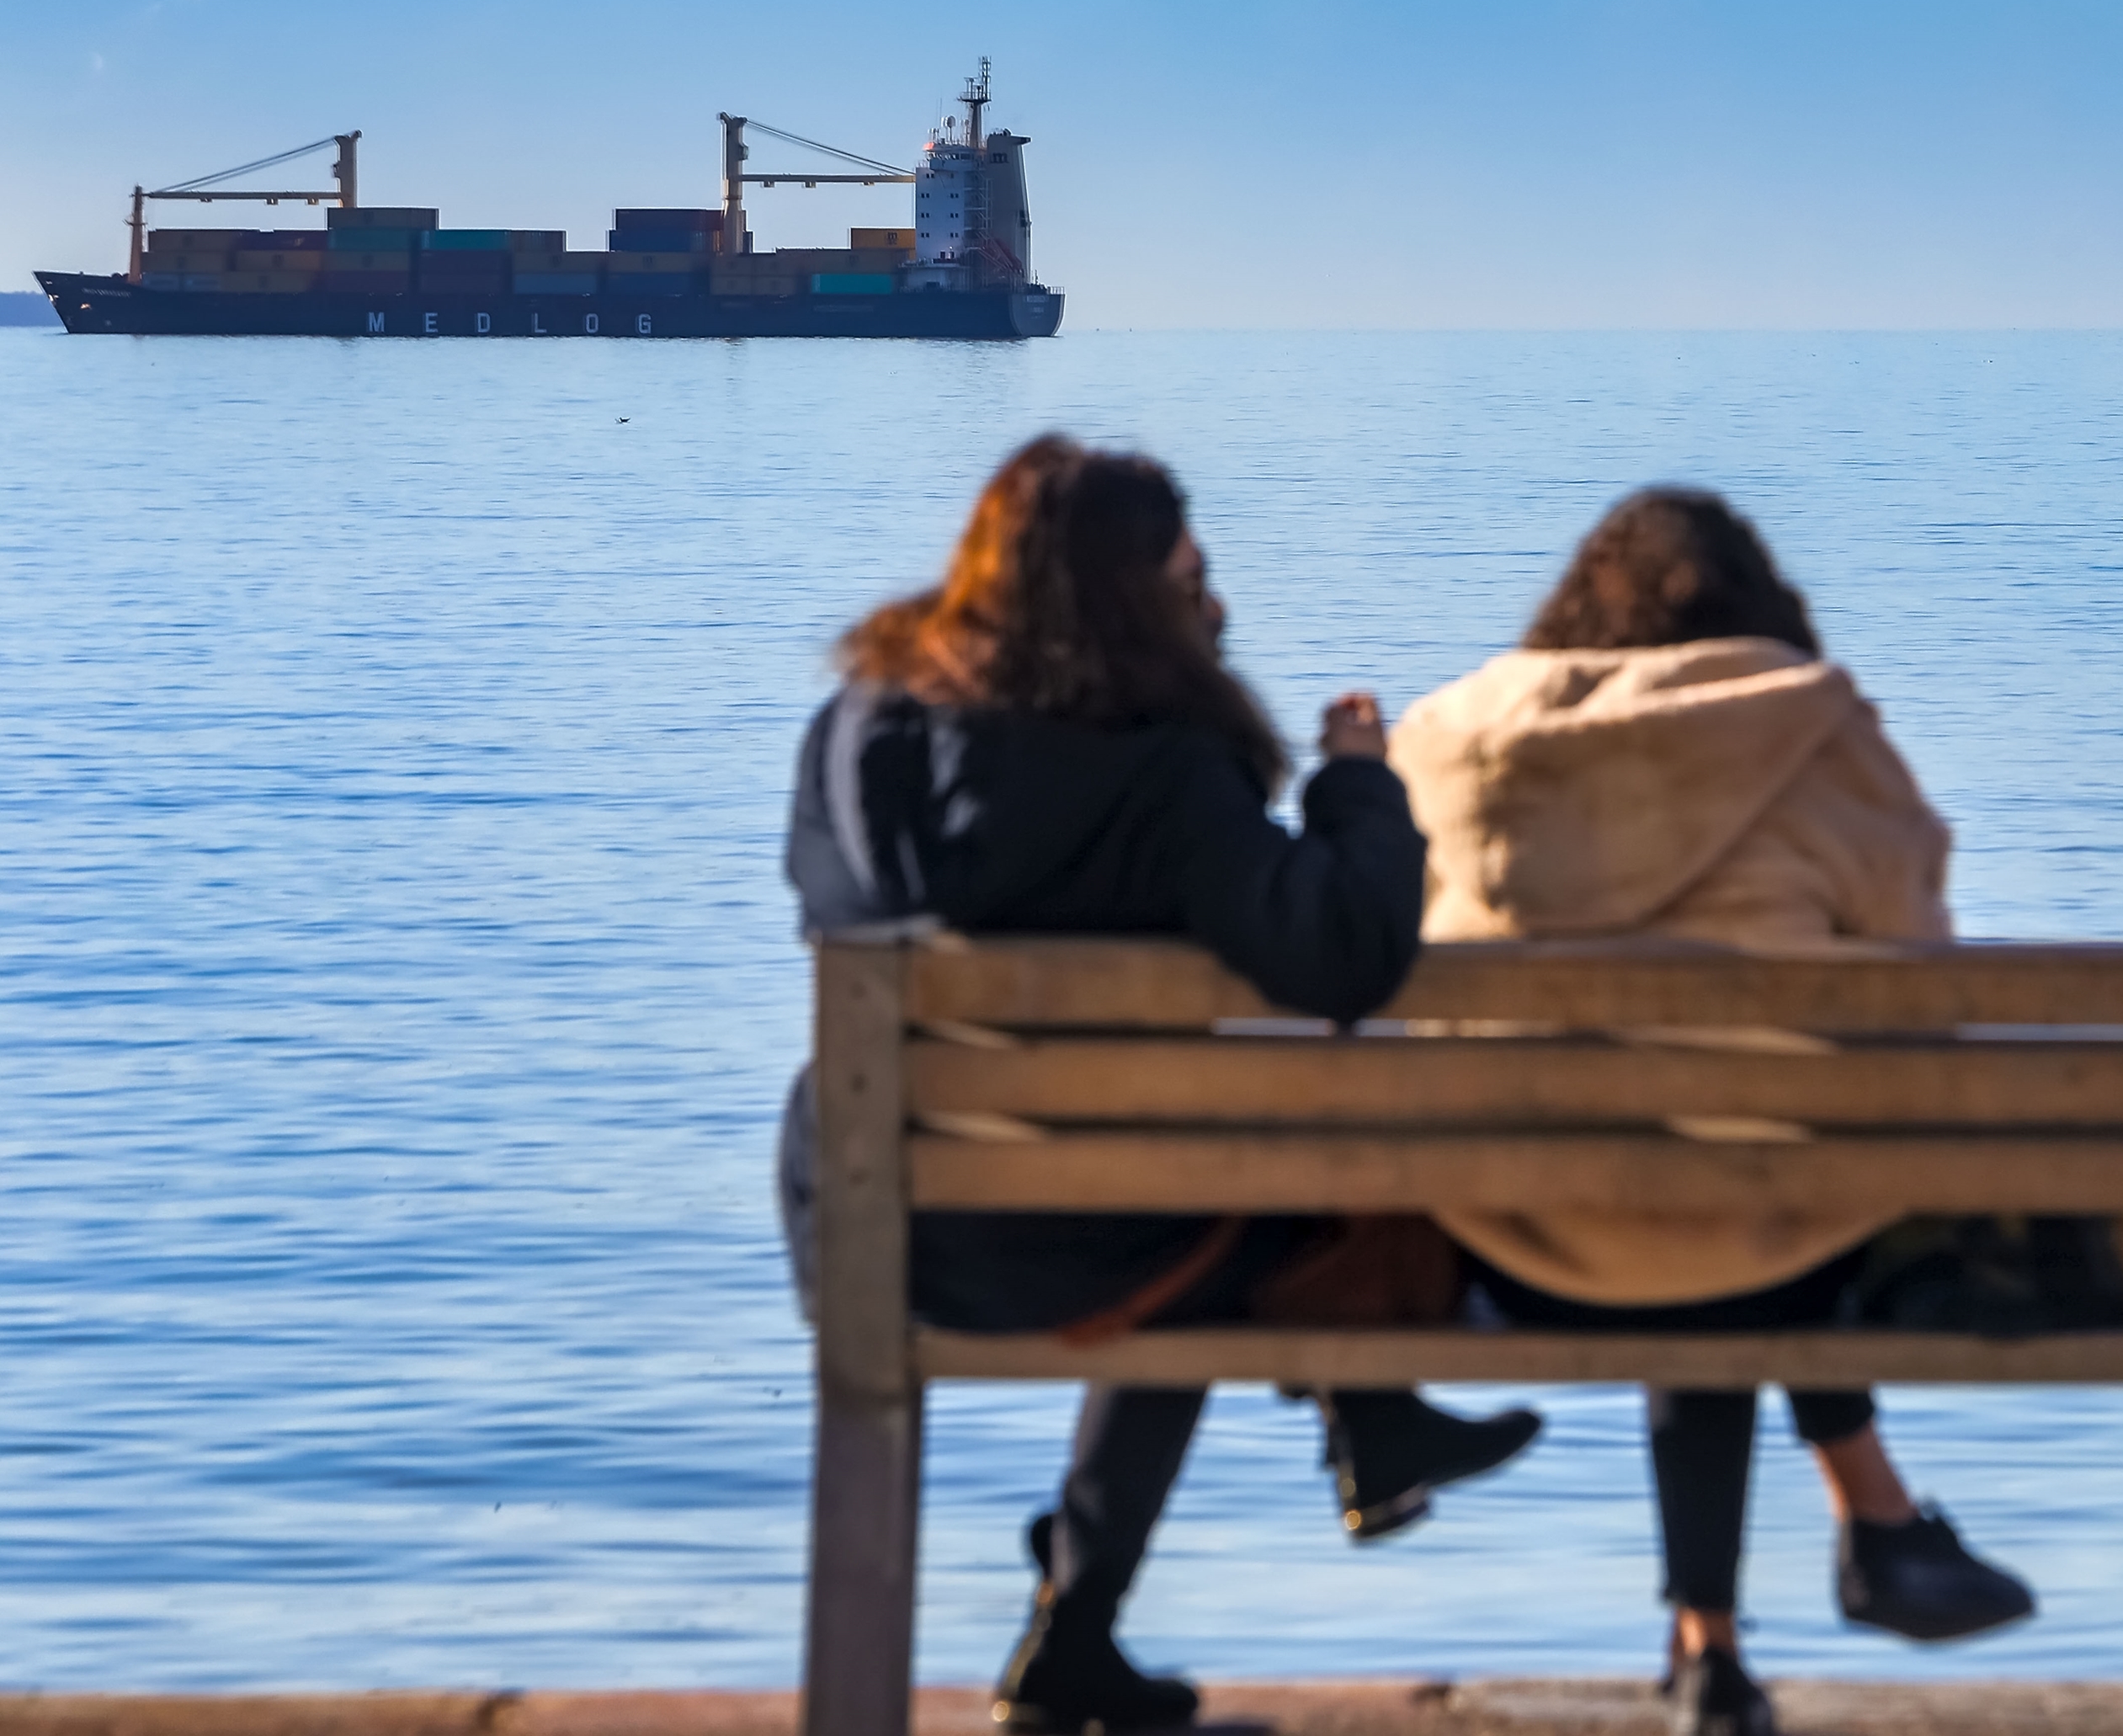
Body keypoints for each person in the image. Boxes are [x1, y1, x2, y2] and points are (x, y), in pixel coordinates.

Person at [775, 435, 1543, 1734]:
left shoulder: (860, 737)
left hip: (872, 1228)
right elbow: (1347, 957)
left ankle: (1089, 1631)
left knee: (1174, 1163)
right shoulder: (1163, 773)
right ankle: (1371, 1418)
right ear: (1139, 596)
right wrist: (1359, 778)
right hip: (1123, 1229)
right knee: (1242, 1156)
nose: (1216, 605)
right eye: (1196, 579)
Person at [1387, 487, 2035, 1736]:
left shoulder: (1454, 752)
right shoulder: (1815, 734)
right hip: (1774, 1240)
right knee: (1746, 1188)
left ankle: (1720, 1647)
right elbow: (1928, 996)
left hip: (1518, 1243)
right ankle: (1860, 1534)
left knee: (1690, 1179)